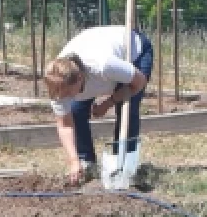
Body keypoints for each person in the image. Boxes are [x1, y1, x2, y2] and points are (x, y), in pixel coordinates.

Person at [44, 25, 154, 184]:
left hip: (133, 50)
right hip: (94, 42)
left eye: (68, 93)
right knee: (75, 110)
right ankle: (85, 162)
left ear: (80, 78)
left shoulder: (104, 66)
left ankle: (124, 163)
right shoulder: (57, 82)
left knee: (127, 109)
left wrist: (108, 103)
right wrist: (73, 160)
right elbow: (65, 126)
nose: (64, 97)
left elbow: (138, 83)